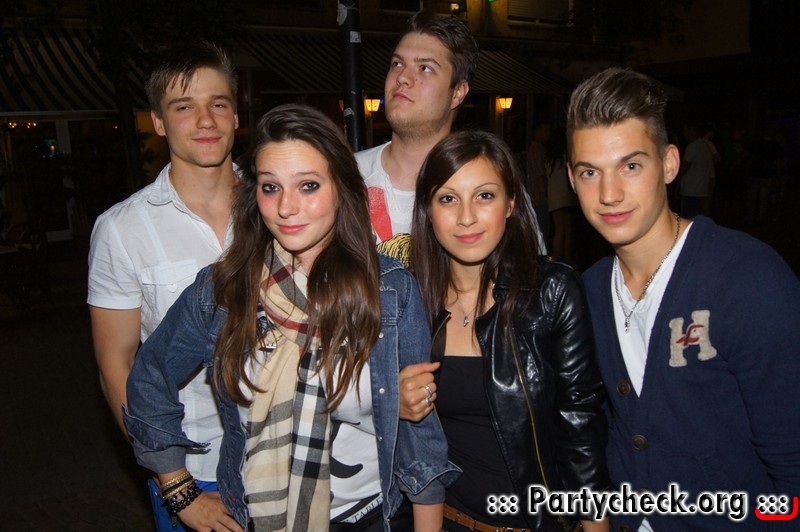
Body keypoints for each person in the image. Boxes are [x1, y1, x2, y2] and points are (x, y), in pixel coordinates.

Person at [123, 104, 458, 531]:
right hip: (257, 518)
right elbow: (149, 376)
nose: (285, 207)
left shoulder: (389, 291)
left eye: (308, 186)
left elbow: (420, 439)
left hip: (371, 517)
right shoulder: (225, 292)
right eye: (270, 187)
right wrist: (179, 490)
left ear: (341, 187)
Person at [566, 67, 800, 530]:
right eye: (590, 172)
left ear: (670, 164)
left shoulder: (749, 280)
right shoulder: (588, 291)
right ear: (572, 182)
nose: (609, 194)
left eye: (631, 166)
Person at [410, 129, 610, 532]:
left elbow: (581, 428)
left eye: (484, 195)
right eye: (448, 199)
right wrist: (394, 407)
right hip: (447, 521)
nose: (466, 217)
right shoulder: (412, 301)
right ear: (428, 211)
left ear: (512, 204)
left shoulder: (552, 291)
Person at [87, 42, 238, 530]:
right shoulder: (122, 229)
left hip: (296, 456)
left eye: (218, 103)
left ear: (236, 115)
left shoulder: (281, 206)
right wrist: (177, 488)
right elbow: (117, 365)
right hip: (196, 469)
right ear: (158, 121)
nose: (206, 120)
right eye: (184, 107)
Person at [357, 11, 478, 247]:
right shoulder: (344, 178)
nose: (402, 77)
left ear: (457, 93)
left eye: (425, 68)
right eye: (397, 64)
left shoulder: (486, 193)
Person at [678, 122, 715, 218]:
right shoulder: (707, 146)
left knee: (687, 220)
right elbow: (712, 174)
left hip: (690, 191)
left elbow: (684, 166)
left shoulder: (692, 147)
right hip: (703, 191)